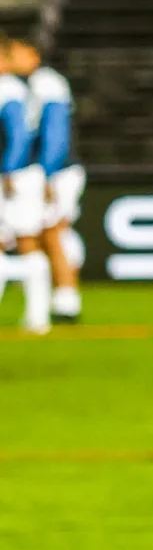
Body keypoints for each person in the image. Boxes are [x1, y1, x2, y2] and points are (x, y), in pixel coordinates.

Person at [0, 36, 52, 334]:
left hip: (17, 175)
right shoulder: (18, 87)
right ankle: (37, 315)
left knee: (26, 240)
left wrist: (10, 170)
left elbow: (18, 135)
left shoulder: (8, 88)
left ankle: (38, 315)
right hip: (19, 172)